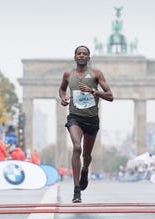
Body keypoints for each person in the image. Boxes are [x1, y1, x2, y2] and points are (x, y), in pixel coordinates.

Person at [59, 45, 114, 203]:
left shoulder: (96, 74)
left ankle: (85, 169)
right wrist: (63, 98)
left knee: (87, 155)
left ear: (89, 57)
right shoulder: (68, 74)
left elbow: (110, 96)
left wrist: (93, 91)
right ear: (75, 57)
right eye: (79, 53)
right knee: (77, 147)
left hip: (91, 119)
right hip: (75, 117)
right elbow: (62, 90)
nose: (82, 56)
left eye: (85, 54)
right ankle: (77, 190)